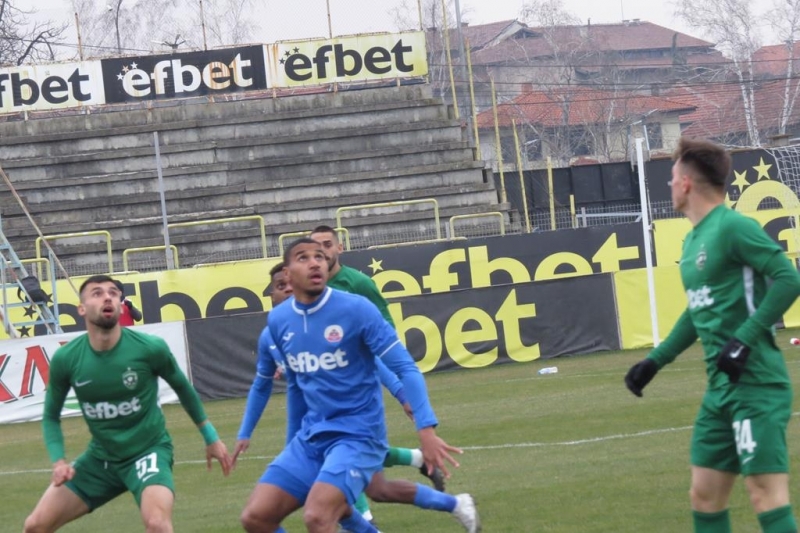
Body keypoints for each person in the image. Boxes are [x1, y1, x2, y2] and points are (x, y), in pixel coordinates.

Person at [238, 239, 479, 533]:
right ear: (287, 274)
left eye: (319, 256)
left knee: (319, 516)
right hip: (312, 438)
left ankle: (448, 500)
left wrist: (426, 429)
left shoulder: (356, 309)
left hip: (359, 434)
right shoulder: (279, 321)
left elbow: (405, 367)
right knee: (256, 517)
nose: (315, 262)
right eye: (303, 257)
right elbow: (298, 388)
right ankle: (454, 504)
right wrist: (291, 447)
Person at [624, 138, 800, 533]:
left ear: (686, 183)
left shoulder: (734, 227)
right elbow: (697, 311)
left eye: (672, 178)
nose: (670, 185)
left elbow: (789, 279)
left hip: (756, 384)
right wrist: (655, 361)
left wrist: (744, 339)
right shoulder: (691, 241)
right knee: (704, 495)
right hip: (719, 390)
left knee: (764, 494)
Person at [23, 274, 232, 533]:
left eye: (113, 293)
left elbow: (183, 388)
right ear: (81, 309)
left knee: (157, 525)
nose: (107, 297)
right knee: (34, 527)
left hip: (148, 453)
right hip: (100, 459)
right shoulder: (67, 358)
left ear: (121, 305)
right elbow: (51, 416)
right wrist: (59, 462)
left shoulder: (150, 348)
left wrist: (211, 437)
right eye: (97, 293)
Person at [310, 225, 446, 490]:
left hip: (354, 384)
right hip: (322, 382)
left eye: (327, 244)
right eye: (316, 248)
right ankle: (418, 462)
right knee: (338, 450)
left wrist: (401, 393)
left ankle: (365, 516)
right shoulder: (309, 290)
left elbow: (383, 340)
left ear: (340, 248)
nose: (322, 252)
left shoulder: (358, 285)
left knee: (336, 450)